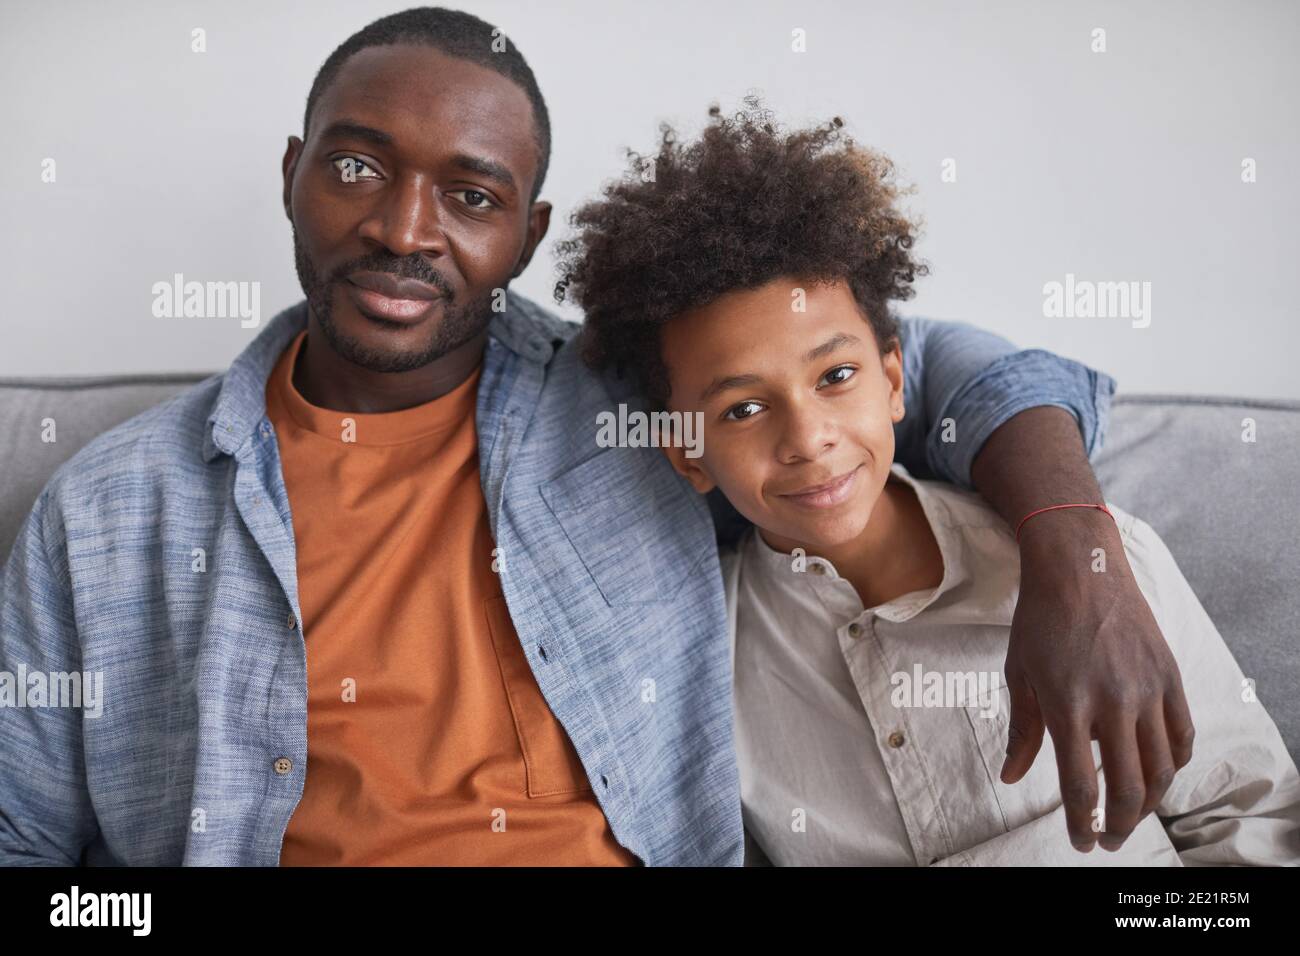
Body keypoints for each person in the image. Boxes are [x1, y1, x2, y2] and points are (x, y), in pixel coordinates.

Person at [1, 8, 1185, 866]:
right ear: (292, 174)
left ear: (528, 233)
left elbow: (934, 370)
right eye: (358, 166)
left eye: (470, 195)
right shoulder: (114, 509)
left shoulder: (645, 403)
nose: (403, 230)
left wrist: (1080, 562)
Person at [556, 102, 1300, 865]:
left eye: (837, 376)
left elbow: (1250, 822)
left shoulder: (1106, 567)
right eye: (743, 408)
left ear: (893, 382)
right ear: (686, 454)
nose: (809, 438)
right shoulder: (700, 657)